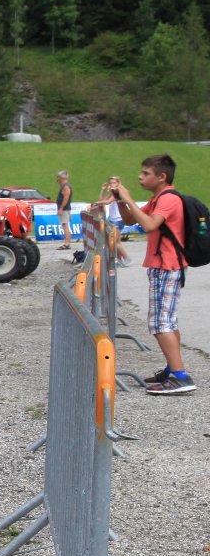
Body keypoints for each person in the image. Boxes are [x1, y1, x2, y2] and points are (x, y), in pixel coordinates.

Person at [108, 154, 193, 394]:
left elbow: (149, 225)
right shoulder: (158, 198)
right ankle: (173, 369)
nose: (140, 177)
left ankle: (181, 377)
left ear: (161, 176)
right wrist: (120, 200)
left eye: (146, 173)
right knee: (168, 321)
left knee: (160, 323)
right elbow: (129, 219)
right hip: (163, 266)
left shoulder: (168, 199)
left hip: (167, 266)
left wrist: (128, 197)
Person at [55, 170, 74, 250]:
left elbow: (66, 198)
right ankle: (67, 243)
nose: (57, 180)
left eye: (58, 177)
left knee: (65, 226)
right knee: (65, 225)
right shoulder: (65, 186)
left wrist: (61, 209)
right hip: (66, 209)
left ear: (61, 178)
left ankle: (67, 243)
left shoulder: (66, 187)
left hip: (64, 209)